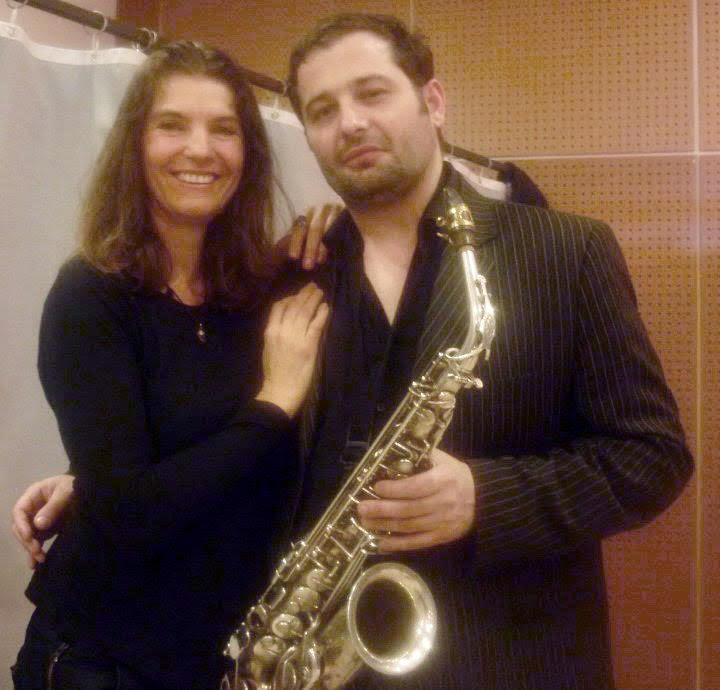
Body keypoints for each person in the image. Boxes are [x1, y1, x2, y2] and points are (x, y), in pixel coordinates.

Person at [15, 13, 694, 689]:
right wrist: (94, 482)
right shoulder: (285, 277)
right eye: (322, 110)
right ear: (306, 134)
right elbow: (214, 433)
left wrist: (486, 498)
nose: (351, 123)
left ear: (432, 101)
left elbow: (652, 455)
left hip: (506, 662)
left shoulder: (565, 252)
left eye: (373, 93)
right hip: (314, 667)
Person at [11, 40, 329, 690]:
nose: (200, 149)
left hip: (218, 657)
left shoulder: (260, 288)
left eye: (224, 129)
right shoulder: (90, 294)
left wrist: (337, 223)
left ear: (248, 151)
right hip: (102, 662)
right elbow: (130, 514)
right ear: (136, 144)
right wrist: (273, 406)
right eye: (172, 125)